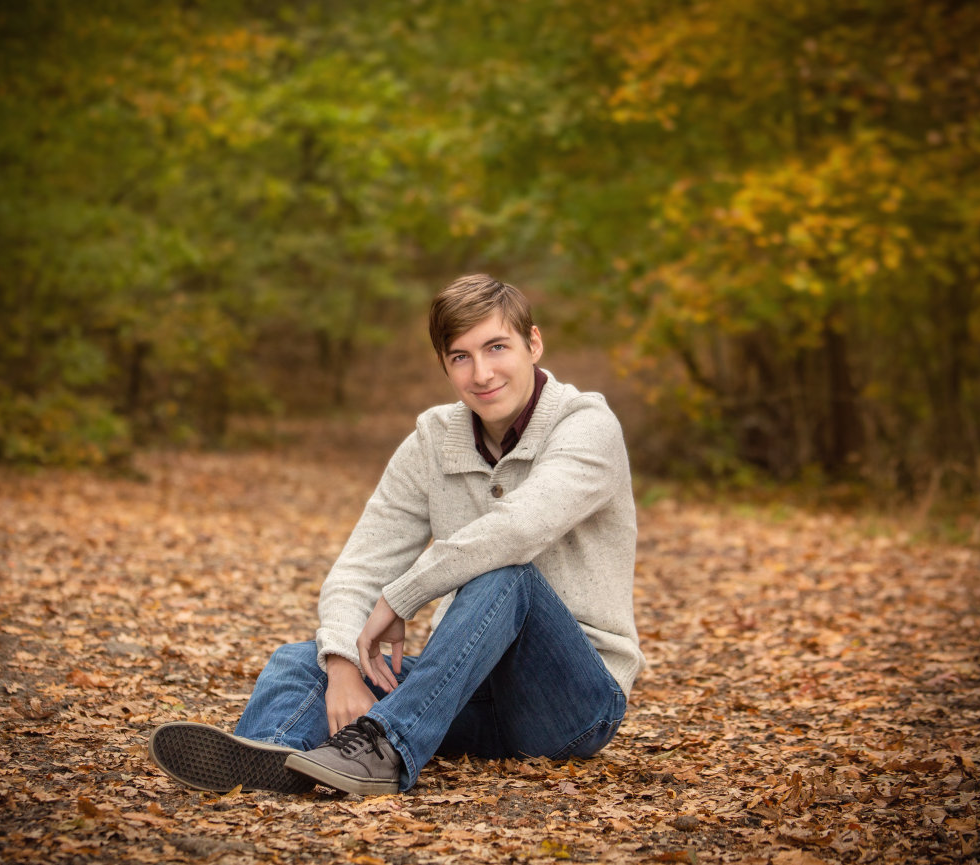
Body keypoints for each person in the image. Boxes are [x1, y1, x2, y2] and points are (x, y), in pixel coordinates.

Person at [149, 274, 646, 796]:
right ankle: (272, 757)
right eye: (460, 357)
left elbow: (520, 528)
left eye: (496, 347)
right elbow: (364, 562)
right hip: (470, 695)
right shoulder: (434, 439)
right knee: (304, 658)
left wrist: (402, 594)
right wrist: (342, 662)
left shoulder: (587, 425)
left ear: (534, 343)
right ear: (445, 365)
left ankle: (382, 749)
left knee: (507, 575)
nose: (482, 373)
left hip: (572, 703)